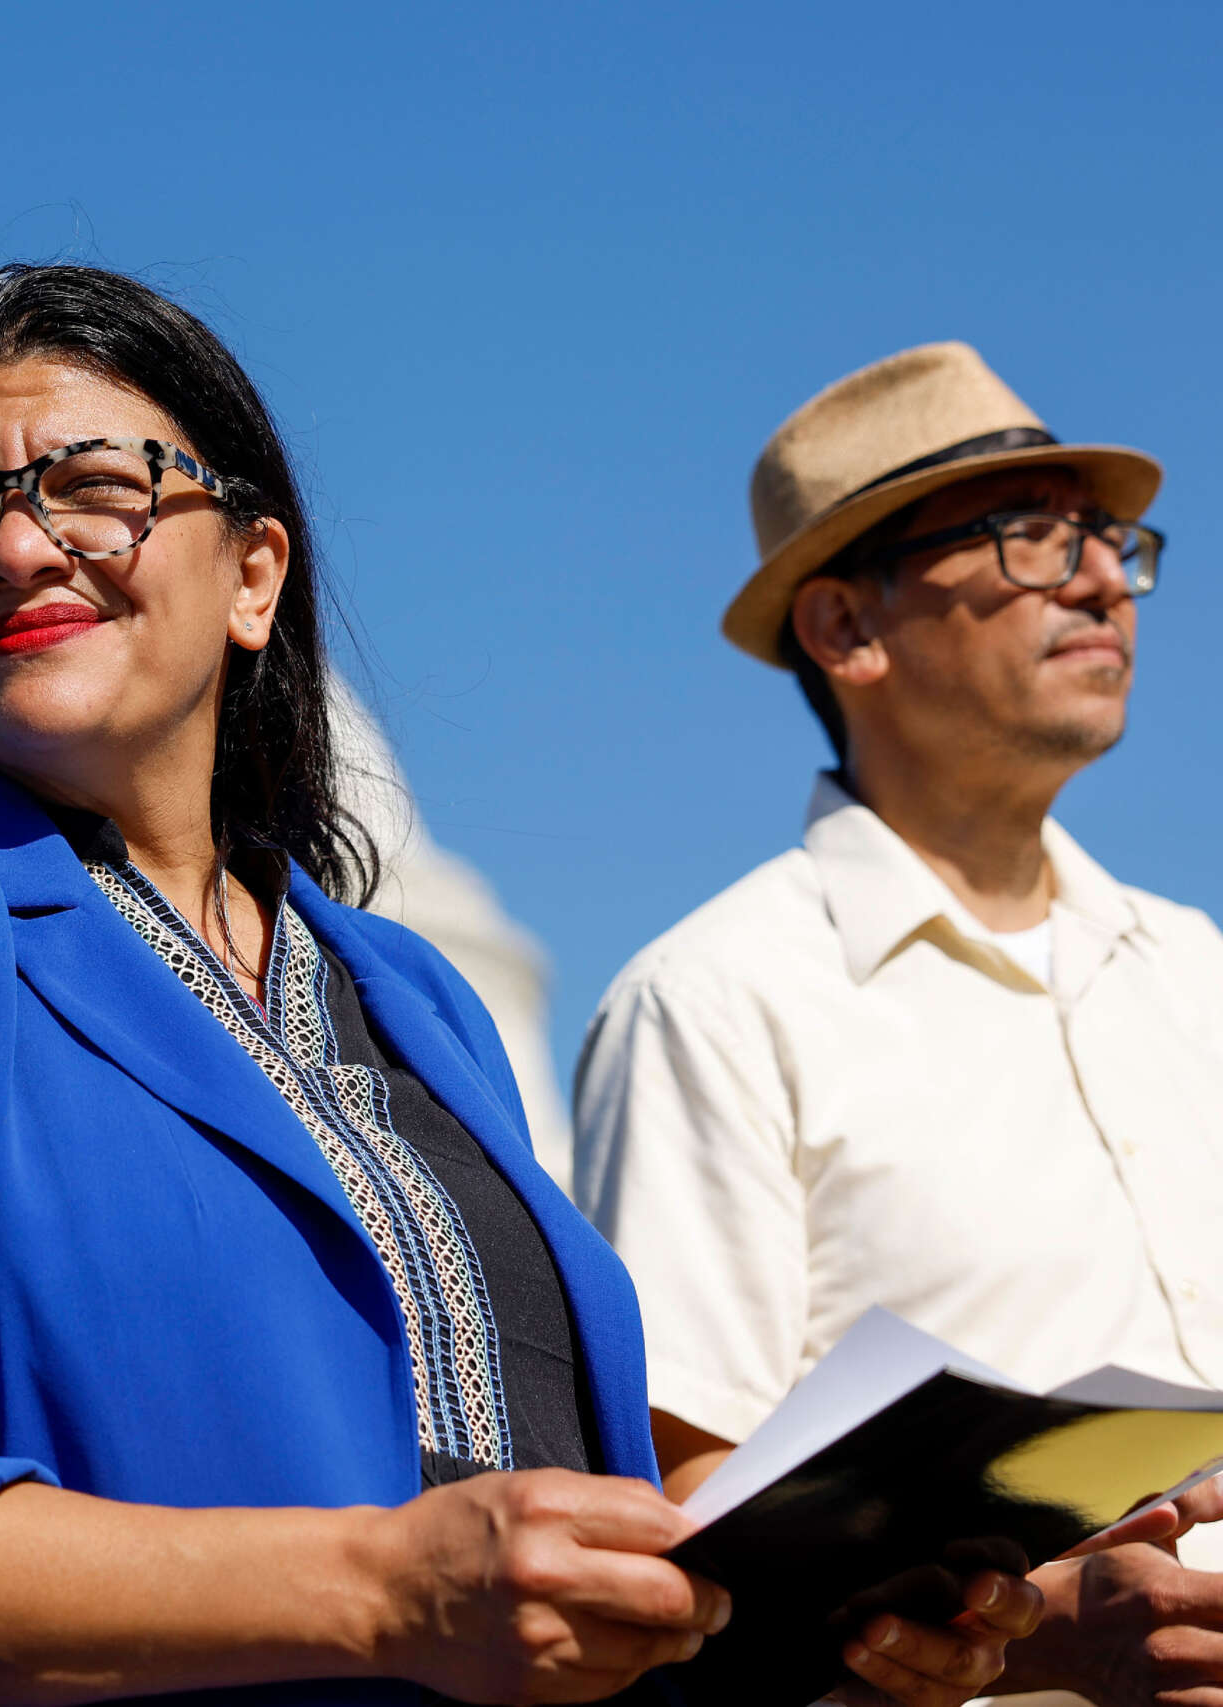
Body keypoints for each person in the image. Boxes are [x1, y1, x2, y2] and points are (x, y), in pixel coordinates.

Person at [0, 267, 1030, 1707]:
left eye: (94, 485)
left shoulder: (411, 996)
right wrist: (384, 1590)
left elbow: (562, 1563)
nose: (15, 547)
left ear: (255, 576)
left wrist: (956, 1623)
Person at [574, 340, 1223, 1704]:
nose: (1103, 578)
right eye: (1029, 539)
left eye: (1108, 542)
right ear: (846, 631)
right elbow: (697, 1514)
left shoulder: (1196, 973)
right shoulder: (715, 1001)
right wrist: (1042, 1624)